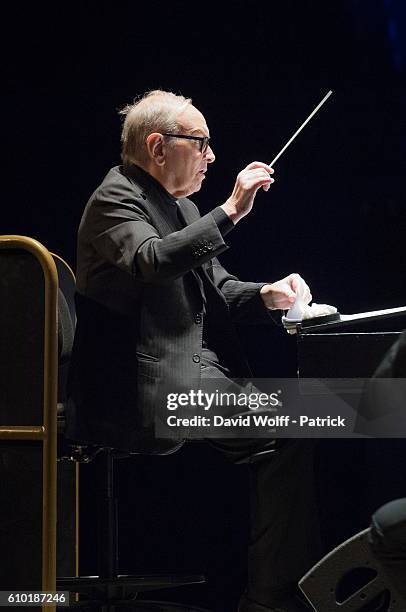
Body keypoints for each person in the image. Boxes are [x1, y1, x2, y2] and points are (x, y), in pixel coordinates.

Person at [67, 90, 319, 612]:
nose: (211, 156)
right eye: (200, 144)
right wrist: (231, 210)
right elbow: (152, 260)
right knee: (306, 421)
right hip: (146, 391)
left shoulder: (180, 206)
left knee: (312, 419)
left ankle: (275, 597)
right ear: (158, 147)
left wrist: (269, 294)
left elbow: (216, 288)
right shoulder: (114, 199)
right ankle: (271, 604)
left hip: (198, 378)